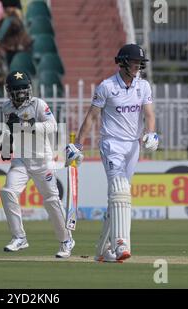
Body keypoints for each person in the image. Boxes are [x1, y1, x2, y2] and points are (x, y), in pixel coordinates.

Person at [66, 44, 158, 263]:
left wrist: (152, 134)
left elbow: (149, 115)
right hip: (111, 145)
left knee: (118, 199)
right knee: (120, 190)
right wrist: (78, 145)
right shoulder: (107, 86)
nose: (138, 67)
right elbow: (91, 117)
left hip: (133, 146)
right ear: (123, 62)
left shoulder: (143, 86)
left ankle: (102, 249)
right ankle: (120, 243)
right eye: (134, 62)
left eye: (140, 63)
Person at [0, 70, 75, 258]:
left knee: (51, 201)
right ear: (10, 91)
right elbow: (9, 130)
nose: (21, 93)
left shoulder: (38, 104)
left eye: (23, 89)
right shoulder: (6, 108)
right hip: (21, 160)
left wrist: (29, 125)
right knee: (8, 192)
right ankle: (19, 237)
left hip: (42, 160)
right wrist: (6, 147)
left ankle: (66, 240)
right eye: (17, 90)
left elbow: (53, 126)